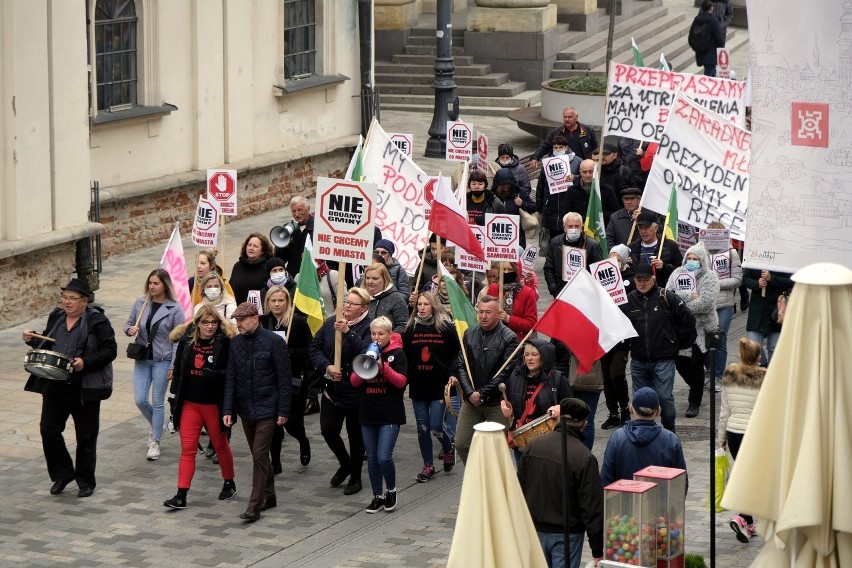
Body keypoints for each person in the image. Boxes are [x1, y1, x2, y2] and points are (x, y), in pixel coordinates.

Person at [23, 278, 117, 498]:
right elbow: (46, 343)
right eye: (64, 297)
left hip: (84, 387)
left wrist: (85, 362)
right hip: (55, 384)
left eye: (72, 298)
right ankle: (63, 473)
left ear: (84, 301)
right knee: (48, 430)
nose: (67, 302)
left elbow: (110, 350)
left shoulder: (97, 321)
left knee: (86, 436)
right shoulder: (56, 317)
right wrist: (31, 339)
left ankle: (85, 481)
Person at [163, 305, 237, 510]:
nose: (210, 326)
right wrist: (173, 398)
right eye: (205, 322)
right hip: (190, 405)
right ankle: (181, 494)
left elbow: (232, 372)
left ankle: (229, 482)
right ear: (197, 323)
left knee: (220, 445)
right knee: (187, 450)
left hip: (214, 404)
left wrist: (217, 375)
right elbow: (178, 371)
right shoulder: (187, 342)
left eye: (214, 322)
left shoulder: (225, 342)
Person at [223, 302, 291, 523]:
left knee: (260, 455)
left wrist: (283, 410)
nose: (238, 324)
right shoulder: (236, 344)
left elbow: (284, 379)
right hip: (246, 409)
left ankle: (254, 506)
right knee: (258, 455)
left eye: (242, 320)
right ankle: (269, 496)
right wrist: (228, 409)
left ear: (255, 319)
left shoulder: (274, 342)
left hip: (268, 407)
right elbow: (231, 378)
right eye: (236, 320)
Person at [518, 398, 604, 568]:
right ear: (583, 424)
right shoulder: (584, 457)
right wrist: (597, 550)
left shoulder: (532, 446)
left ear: (558, 418)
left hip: (534, 531)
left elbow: (519, 489)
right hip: (566, 536)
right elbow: (592, 507)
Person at [309, 287, 373, 496]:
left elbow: (366, 354)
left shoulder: (369, 327)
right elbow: (314, 348)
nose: (347, 306)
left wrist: (348, 332)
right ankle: (344, 463)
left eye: (352, 304)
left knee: (356, 437)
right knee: (328, 430)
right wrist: (326, 367)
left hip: (356, 391)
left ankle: (355, 475)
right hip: (332, 390)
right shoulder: (331, 323)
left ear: (363, 307)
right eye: (346, 302)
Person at [621, 263, 696, 432]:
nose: (642, 283)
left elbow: (688, 320)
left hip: (663, 360)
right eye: (639, 280)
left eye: (645, 280)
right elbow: (619, 325)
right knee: (640, 400)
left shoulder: (666, 297)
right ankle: (643, 432)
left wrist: (677, 344)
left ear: (653, 279)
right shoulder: (629, 300)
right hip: (639, 360)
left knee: (664, 398)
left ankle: (670, 431)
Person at [125, 269, 185, 461]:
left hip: (163, 360)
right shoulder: (141, 302)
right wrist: (130, 330)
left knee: (158, 401)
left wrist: (173, 366)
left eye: (156, 283)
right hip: (142, 358)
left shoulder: (174, 308)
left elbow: (178, 340)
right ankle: (158, 426)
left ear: (165, 285)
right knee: (139, 399)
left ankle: (155, 441)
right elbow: (128, 324)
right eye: (150, 283)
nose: (152, 286)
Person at [451, 295, 519, 464]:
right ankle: (475, 475)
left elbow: (505, 373)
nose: (483, 316)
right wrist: (469, 393)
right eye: (480, 312)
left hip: (496, 402)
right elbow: (461, 364)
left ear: (498, 314)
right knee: (461, 443)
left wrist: (481, 394)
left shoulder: (509, 338)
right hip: (471, 401)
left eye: (488, 312)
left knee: (498, 449)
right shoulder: (469, 333)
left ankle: (494, 480)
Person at [350, 317, 408, 514]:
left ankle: (391, 490)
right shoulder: (366, 352)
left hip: (390, 413)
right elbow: (355, 381)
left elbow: (401, 383)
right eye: (373, 333)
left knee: (384, 456)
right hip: (368, 412)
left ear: (389, 335)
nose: (376, 337)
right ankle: (377, 496)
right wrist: (367, 364)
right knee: (372, 458)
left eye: (380, 334)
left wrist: (384, 368)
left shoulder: (398, 354)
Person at [402, 292, 461, 482]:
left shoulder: (444, 327)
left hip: (439, 384)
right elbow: (406, 355)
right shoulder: (411, 328)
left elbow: (457, 354)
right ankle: (428, 465)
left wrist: (453, 374)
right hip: (419, 385)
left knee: (435, 425)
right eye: (419, 304)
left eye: (426, 304)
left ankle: (448, 447)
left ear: (434, 306)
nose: (422, 307)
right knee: (422, 427)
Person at [260, 285, 312, 474]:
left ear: (287, 302)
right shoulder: (263, 322)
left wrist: (287, 352)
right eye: (273, 300)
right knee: (273, 423)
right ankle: (276, 461)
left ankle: (303, 440)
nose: (276, 304)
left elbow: (309, 351)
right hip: (270, 380)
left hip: (293, 380)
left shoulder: (297, 323)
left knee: (292, 423)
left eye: (280, 300)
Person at [717, 337, 764, 543]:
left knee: (745, 476)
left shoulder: (729, 376)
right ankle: (743, 517)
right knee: (753, 479)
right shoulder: (765, 378)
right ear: (758, 358)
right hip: (755, 434)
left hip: (734, 433)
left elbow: (724, 412)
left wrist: (721, 439)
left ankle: (748, 525)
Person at [666, 242, 719, 418]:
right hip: (681, 329)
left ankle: (694, 402)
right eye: (688, 258)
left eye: (695, 259)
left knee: (695, 363)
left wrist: (680, 304)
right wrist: (690, 296)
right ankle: (696, 385)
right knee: (681, 363)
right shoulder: (677, 273)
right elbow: (668, 294)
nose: (691, 261)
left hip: (703, 328)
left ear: (702, 261)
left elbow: (705, 303)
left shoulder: (710, 277)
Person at [500, 340, 573, 465]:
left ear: (544, 356)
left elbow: (572, 407)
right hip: (523, 442)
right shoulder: (515, 376)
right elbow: (508, 399)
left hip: (549, 444)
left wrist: (561, 408)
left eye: (534, 354)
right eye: (527, 354)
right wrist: (505, 406)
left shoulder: (558, 379)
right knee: (526, 481)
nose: (529, 358)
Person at [600, 387, 688, 487]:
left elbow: (606, 478)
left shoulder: (617, 438)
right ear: (658, 411)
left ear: (631, 409)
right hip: (660, 501)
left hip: (624, 500)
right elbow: (681, 483)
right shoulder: (671, 440)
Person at [704, 221, 742, 391]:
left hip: (724, 303)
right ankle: (707, 370)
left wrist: (716, 283)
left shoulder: (731, 253)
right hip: (706, 303)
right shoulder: (701, 253)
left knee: (720, 339)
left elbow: (738, 279)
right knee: (704, 339)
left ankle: (718, 376)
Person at [543, 212, 604, 298]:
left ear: (581, 227)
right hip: (562, 292)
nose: (574, 229)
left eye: (576, 226)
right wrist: (554, 289)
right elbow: (549, 268)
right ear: (564, 228)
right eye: (570, 226)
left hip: (585, 294)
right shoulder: (555, 243)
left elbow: (598, 272)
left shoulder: (592, 245)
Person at [742, 268, 793, 364]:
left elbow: (791, 281)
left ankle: (772, 375)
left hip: (777, 310)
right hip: (757, 309)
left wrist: (772, 278)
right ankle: (761, 369)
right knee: (752, 348)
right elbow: (745, 279)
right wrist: (757, 283)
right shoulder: (755, 260)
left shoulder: (784, 259)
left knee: (774, 349)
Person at [535, 136, 582, 240]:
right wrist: (540, 206)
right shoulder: (547, 163)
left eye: (560, 147)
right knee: (553, 241)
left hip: (569, 206)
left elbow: (585, 178)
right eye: (555, 147)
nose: (558, 150)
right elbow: (541, 185)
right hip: (551, 206)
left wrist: (575, 178)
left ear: (566, 148)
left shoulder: (577, 161)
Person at [628, 210, 683, 287]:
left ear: (656, 228)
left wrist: (664, 267)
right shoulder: (631, 248)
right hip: (639, 294)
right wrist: (625, 266)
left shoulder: (670, 245)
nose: (643, 231)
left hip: (663, 293)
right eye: (640, 228)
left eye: (646, 227)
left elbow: (682, 271)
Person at [485, 261, 538, 341]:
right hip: (493, 340)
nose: (506, 273)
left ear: (517, 272)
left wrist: (509, 319)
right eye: (504, 269)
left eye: (510, 270)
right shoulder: (493, 288)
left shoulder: (527, 293)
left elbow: (531, 324)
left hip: (516, 342)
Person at [530, 106, 598, 167]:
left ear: (576, 117)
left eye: (570, 117)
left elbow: (596, 149)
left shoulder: (587, 131)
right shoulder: (557, 132)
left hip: (583, 168)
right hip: (562, 168)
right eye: (565, 117)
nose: (567, 119)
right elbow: (544, 146)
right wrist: (535, 157)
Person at [564, 159, 620, 227]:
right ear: (580, 172)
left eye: (590, 172)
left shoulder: (607, 190)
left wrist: (598, 215)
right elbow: (566, 214)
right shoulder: (571, 190)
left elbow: (615, 213)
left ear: (596, 171)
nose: (588, 175)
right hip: (579, 231)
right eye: (584, 172)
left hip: (601, 230)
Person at [491, 168, 537, 249]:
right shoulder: (492, 195)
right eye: (503, 184)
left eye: (508, 183)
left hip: (517, 235)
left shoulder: (520, 192)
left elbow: (534, 207)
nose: (505, 186)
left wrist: (522, 203)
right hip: (497, 233)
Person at [274, 195, 315, 280]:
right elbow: (280, 259)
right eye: (293, 211)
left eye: (300, 210)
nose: (296, 214)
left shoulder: (317, 228)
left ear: (308, 209)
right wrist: (282, 245)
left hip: (313, 276)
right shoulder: (287, 230)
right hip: (293, 278)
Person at [362, 262, 409, 334]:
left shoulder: (396, 298)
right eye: (367, 278)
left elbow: (403, 326)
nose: (370, 281)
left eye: (375, 278)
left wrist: (386, 338)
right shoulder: (362, 297)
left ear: (385, 279)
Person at [230, 233, 274, 304]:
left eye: (255, 246)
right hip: (238, 311)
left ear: (262, 251)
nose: (251, 248)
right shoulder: (238, 266)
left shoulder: (268, 268)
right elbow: (230, 289)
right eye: (249, 245)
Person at [689, 0, 725, 77]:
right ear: (711, 8)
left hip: (700, 51)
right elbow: (719, 38)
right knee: (708, 76)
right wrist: (721, 47)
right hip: (711, 52)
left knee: (711, 72)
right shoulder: (714, 21)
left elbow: (690, 36)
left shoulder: (697, 20)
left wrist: (696, 46)